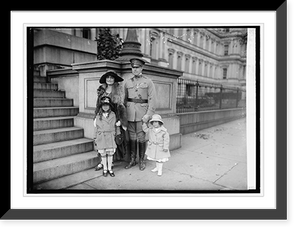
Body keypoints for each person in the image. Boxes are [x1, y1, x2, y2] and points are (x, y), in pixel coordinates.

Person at [123, 57, 157, 171]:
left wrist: (149, 114)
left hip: (142, 114)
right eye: (133, 67)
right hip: (130, 114)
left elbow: (152, 99)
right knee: (132, 137)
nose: (135, 69)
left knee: (141, 137)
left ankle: (142, 160)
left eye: (137, 67)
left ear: (142, 67)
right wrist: (123, 116)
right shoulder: (127, 82)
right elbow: (124, 99)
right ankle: (132, 159)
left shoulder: (148, 82)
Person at [93, 70, 129, 171]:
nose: (109, 79)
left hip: (113, 118)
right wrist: (95, 117)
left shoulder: (118, 91)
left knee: (112, 140)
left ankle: (110, 162)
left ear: (114, 80)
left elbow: (122, 107)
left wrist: (121, 120)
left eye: (111, 78)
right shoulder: (101, 91)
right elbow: (97, 105)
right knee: (101, 139)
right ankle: (102, 162)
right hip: (102, 118)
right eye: (107, 77)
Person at [93, 96, 118, 177]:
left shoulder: (113, 115)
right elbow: (95, 128)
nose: (105, 107)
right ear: (101, 107)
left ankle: (110, 169)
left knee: (110, 153)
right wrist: (95, 138)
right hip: (101, 137)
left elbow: (115, 126)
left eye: (107, 105)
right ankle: (105, 169)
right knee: (103, 154)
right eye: (103, 105)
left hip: (110, 136)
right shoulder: (98, 116)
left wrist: (114, 134)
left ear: (110, 106)